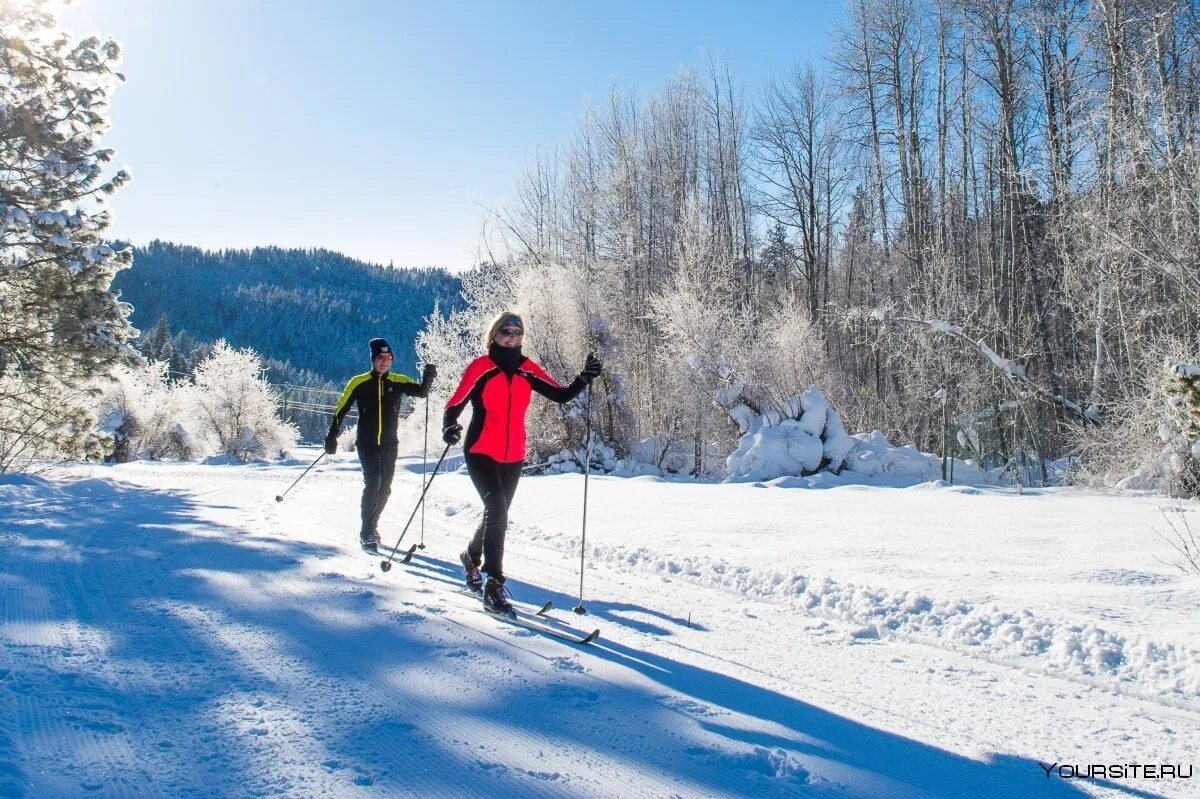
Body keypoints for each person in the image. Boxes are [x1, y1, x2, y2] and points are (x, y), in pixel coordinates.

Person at [443, 311, 602, 613]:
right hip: (480, 449)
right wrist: (448, 426)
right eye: (507, 331)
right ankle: (494, 583)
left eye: (518, 332)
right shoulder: (481, 367)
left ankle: (470, 556)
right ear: (494, 335)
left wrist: (584, 377)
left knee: (497, 511)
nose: (513, 337)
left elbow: (560, 394)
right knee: (497, 509)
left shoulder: (527, 369)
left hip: (514, 453)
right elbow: (454, 403)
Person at [326, 338, 436, 551]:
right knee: (373, 481)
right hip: (366, 443)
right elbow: (342, 408)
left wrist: (428, 377)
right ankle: (366, 532)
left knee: (385, 488)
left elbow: (421, 392)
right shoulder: (358, 382)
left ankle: (372, 524)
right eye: (380, 357)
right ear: (373, 359)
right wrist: (332, 436)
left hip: (389, 443)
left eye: (389, 358)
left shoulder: (398, 380)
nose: (385, 362)